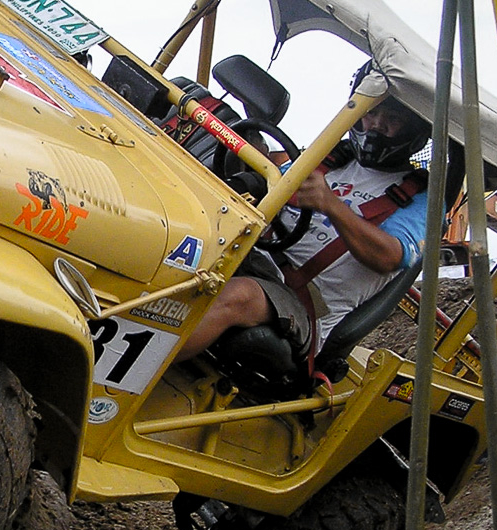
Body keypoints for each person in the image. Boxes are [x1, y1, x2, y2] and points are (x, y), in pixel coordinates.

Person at [176, 71, 431, 365]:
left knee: (239, 295)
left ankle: (132, 383)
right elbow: (272, 186)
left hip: (304, 301)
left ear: (413, 133)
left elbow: (389, 257)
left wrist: (332, 205)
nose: (376, 125)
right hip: (250, 256)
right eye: (372, 112)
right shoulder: (330, 158)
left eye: (392, 120)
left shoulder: (419, 198)